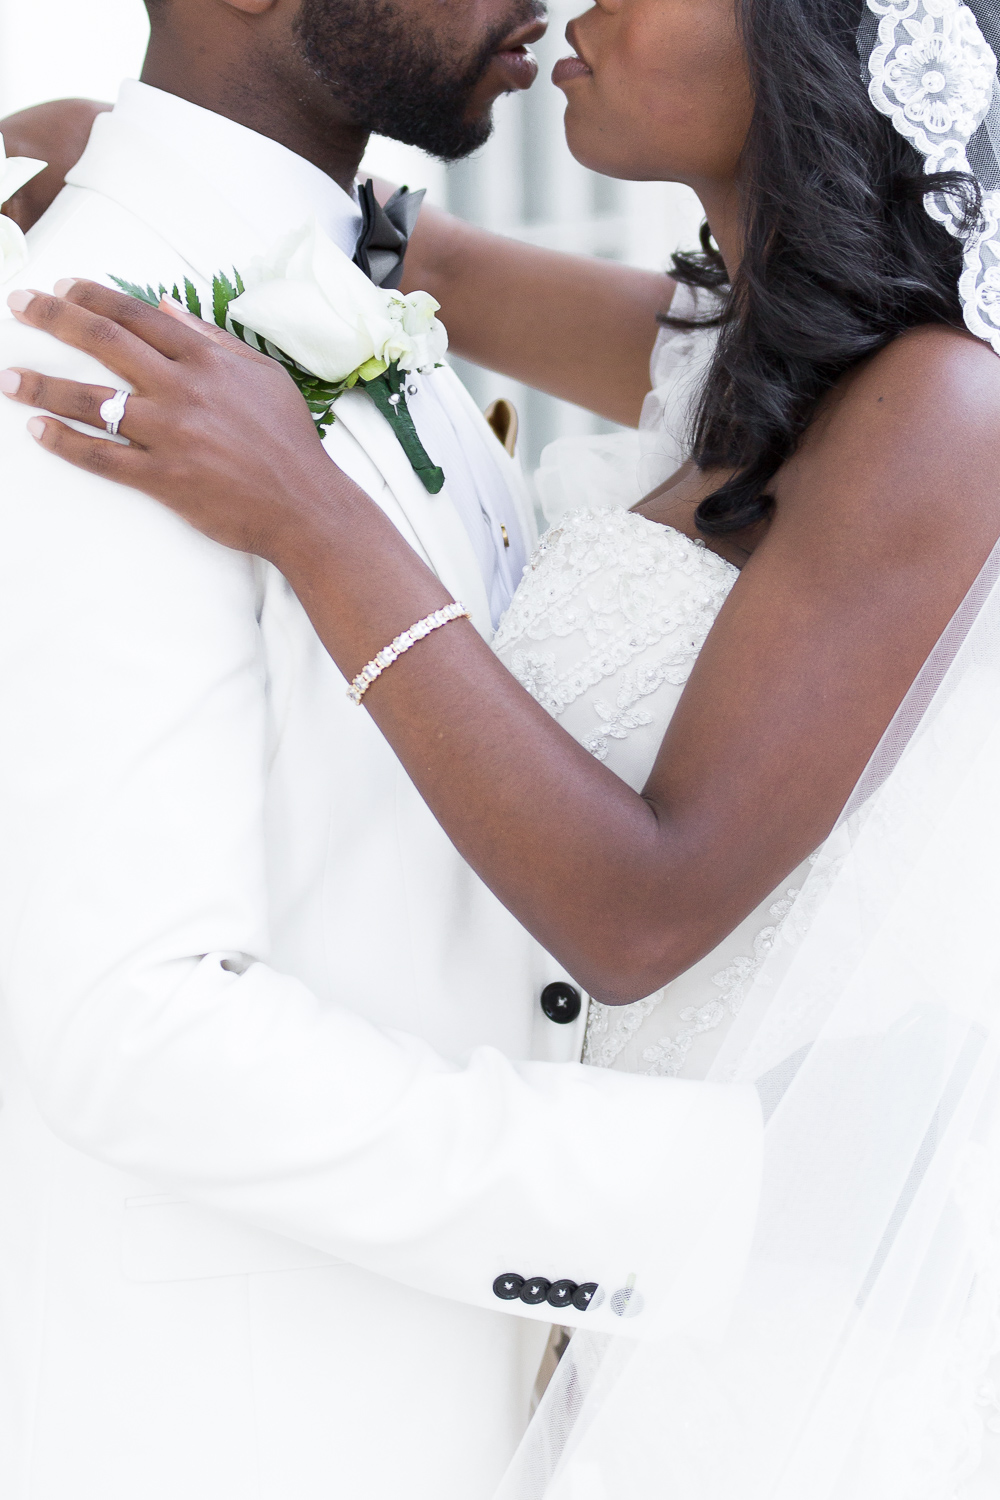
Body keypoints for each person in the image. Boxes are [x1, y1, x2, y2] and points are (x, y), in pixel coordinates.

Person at [9, 0, 1000, 1492]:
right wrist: (171, 162)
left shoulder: (934, 410)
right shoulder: (734, 363)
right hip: (547, 1349)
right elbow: (418, 263)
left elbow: (641, 909)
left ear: (806, 46)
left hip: (773, 1314)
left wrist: (314, 516)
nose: (574, 7)